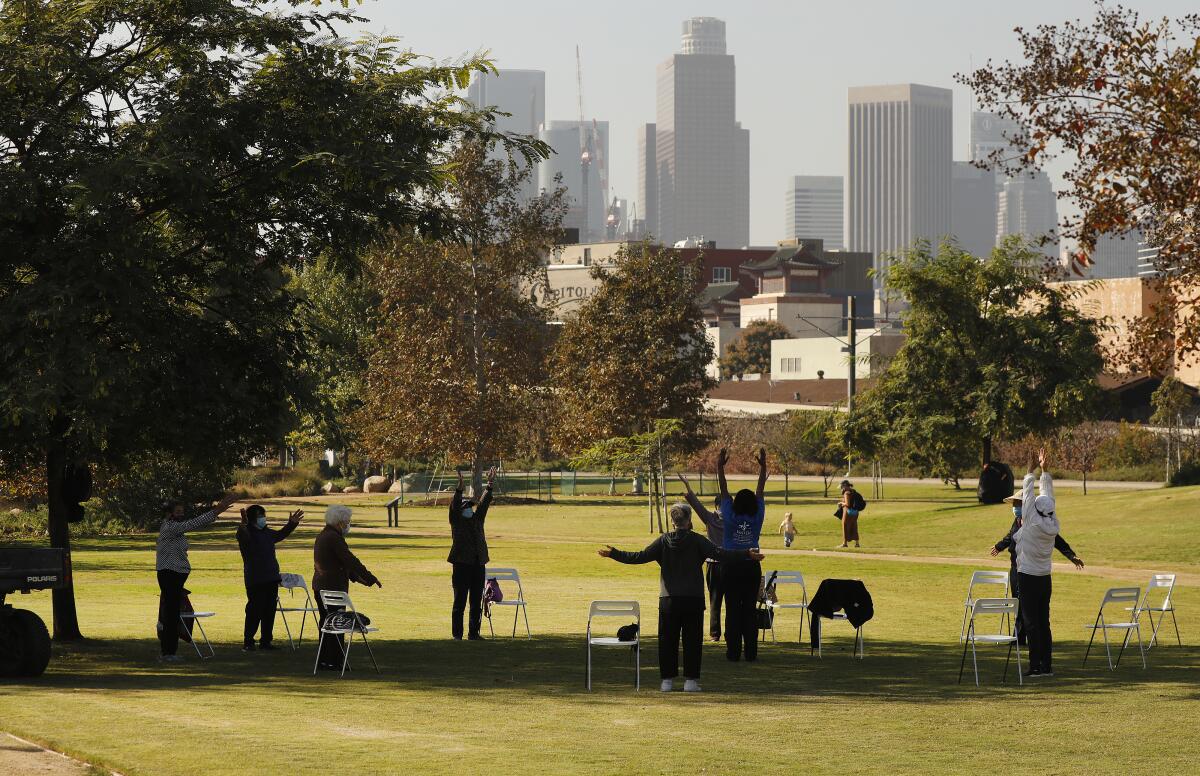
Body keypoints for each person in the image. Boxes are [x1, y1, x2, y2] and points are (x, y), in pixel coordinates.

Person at [599, 503, 764, 692]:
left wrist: (614, 554)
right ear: (689, 520)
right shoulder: (697, 540)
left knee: (667, 640)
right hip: (693, 598)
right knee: (692, 641)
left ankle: (666, 681)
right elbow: (721, 554)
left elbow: (640, 556)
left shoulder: (663, 541)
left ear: (672, 521)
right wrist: (746, 554)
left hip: (669, 598)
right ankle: (691, 682)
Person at [990, 491, 1084, 646]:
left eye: (1018, 504)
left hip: (1029, 569)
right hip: (1016, 567)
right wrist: (999, 546)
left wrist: (1071, 556)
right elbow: (1010, 536)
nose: (1015, 507)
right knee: (1017, 602)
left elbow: (1057, 540)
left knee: (1026, 604)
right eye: (1014, 504)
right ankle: (1019, 637)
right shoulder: (1017, 520)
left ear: (1026, 505)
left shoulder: (1035, 522)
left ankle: (1023, 638)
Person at [155, 494, 239, 662]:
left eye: (182, 511)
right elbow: (193, 523)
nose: (181, 514)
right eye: (177, 511)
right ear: (169, 513)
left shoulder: (176, 530)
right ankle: (168, 653)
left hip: (176, 575)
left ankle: (170, 652)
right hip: (169, 574)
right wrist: (216, 511)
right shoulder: (170, 527)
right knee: (171, 615)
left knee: (173, 613)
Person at [313, 504, 381, 671]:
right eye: (347, 522)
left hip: (321, 586)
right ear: (339, 522)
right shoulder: (334, 538)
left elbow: (340, 564)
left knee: (327, 624)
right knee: (336, 624)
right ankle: (333, 660)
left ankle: (325, 660)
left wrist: (358, 579)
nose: (348, 524)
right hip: (333, 588)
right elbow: (350, 560)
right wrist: (369, 577)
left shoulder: (324, 535)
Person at [717, 446, 768, 662]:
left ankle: (733, 652)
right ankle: (751, 652)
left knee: (732, 610)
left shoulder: (729, 514)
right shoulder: (757, 516)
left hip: (730, 565)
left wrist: (720, 467)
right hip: (752, 565)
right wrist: (763, 467)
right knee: (749, 609)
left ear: (735, 503)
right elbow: (760, 492)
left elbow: (724, 490)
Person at [1012, 448, 1059, 678]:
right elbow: (1046, 494)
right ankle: (1047, 665)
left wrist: (1030, 470)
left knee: (1031, 623)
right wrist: (1044, 470)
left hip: (1028, 576)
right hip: (1044, 577)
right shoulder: (1052, 520)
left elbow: (1029, 494)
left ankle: (1036, 666)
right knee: (1044, 622)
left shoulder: (1030, 520)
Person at [236, 504, 303, 652]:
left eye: (263, 515)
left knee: (269, 611)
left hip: (271, 578)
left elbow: (280, 534)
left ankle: (266, 641)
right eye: (260, 515)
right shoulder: (247, 534)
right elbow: (242, 534)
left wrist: (292, 524)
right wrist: (243, 524)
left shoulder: (266, 533)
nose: (263, 518)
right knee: (254, 611)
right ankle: (249, 641)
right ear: (252, 518)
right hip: (256, 579)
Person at [449, 467, 496, 640]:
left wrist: (489, 484)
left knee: (476, 602)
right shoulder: (457, 521)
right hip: (461, 565)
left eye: (470, 507)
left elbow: (484, 504)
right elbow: (454, 506)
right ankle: (457, 635)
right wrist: (460, 488)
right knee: (459, 602)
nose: (470, 509)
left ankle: (474, 633)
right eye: (466, 507)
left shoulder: (477, 520)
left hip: (478, 564)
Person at [677, 473, 725, 642]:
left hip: (714, 565)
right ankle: (722, 633)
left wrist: (688, 487)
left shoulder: (712, 518)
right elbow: (696, 505)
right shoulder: (717, 519)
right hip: (724, 563)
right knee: (725, 601)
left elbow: (696, 505)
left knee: (716, 601)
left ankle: (715, 634)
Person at [837, 480, 862, 548]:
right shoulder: (853, 491)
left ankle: (844, 543)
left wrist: (841, 503)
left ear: (845, 486)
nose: (841, 488)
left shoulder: (846, 493)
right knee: (854, 526)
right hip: (855, 512)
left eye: (842, 487)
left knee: (845, 526)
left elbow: (847, 504)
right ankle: (857, 543)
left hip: (848, 513)